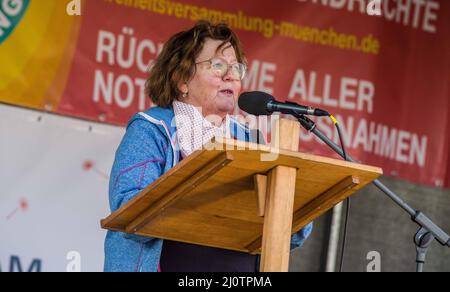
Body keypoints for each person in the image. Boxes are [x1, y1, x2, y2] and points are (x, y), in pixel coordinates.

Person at [104, 21, 313, 272]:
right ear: (182, 79)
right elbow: (129, 213)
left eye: (236, 68)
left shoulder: (251, 139)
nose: (230, 75)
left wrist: (299, 207)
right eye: (217, 65)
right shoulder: (151, 129)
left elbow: (291, 235)